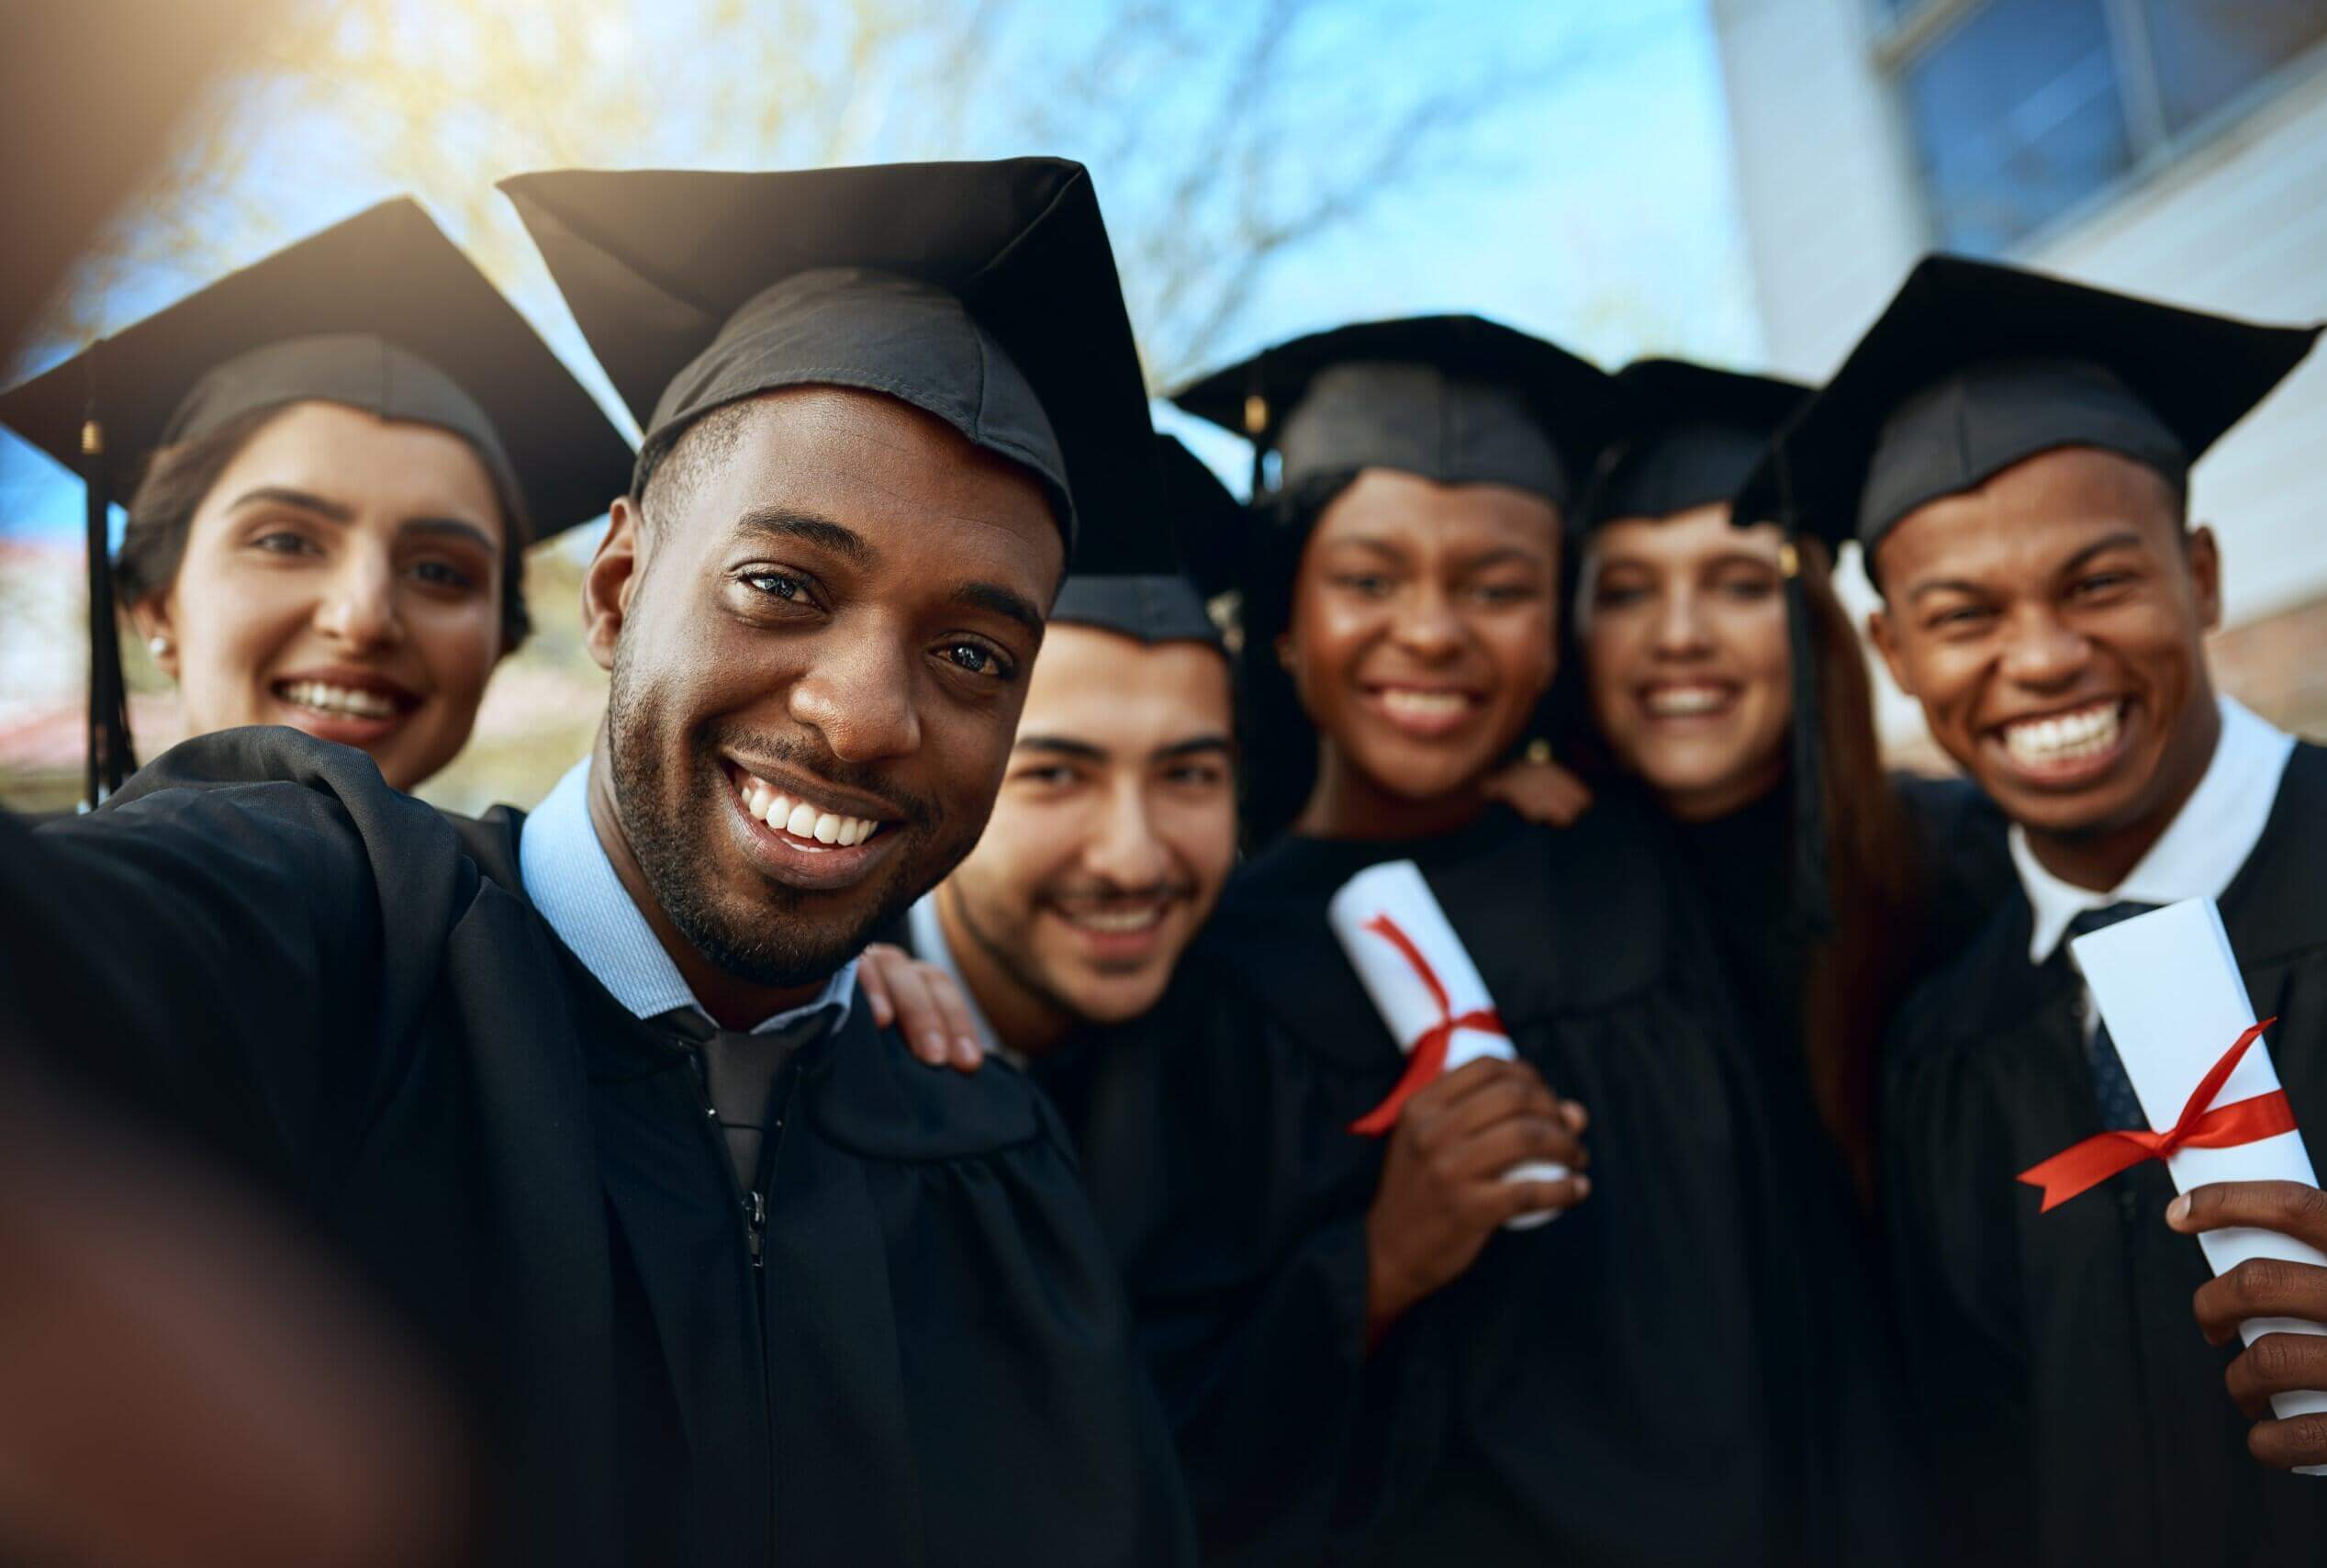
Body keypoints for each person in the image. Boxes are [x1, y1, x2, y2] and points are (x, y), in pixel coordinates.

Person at [0, 157, 1191, 1568]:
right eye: (782, 586)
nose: (866, 716)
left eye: (975, 655)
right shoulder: (325, 917)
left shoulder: (985, 1149)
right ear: (618, 591)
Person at [1081, 315, 1919, 1565]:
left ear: (1553, 645)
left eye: (1500, 586)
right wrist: (1374, 1262)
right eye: (1368, 580)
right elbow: (1153, 1430)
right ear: (1286, 624)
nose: (1432, 631)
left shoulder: (1639, 863)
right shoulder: (1202, 971)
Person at [1740, 252, 2327, 1564]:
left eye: (2100, 584)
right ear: (1896, 655)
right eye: (1961, 616)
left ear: (2200, 575)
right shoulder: (1943, 1044)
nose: (2043, 658)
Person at [0, 198, 633, 801]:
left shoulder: (544, 916)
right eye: (284, 541)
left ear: (501, 639)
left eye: (439, 571)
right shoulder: (39, 906)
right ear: (157, 609)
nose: (361, 619)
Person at [1563, 356, 2008, 1190]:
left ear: (1816, 627)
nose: (1680, 635)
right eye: (1626, 593)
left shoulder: (1967, 866)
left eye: (1738, 585)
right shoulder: (1542, 908)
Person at [858, 438, 1239, 1076]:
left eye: (1188, 774)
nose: (1134, 862)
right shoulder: (814, 1030)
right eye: (1056, 774)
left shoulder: (1242, 1048)